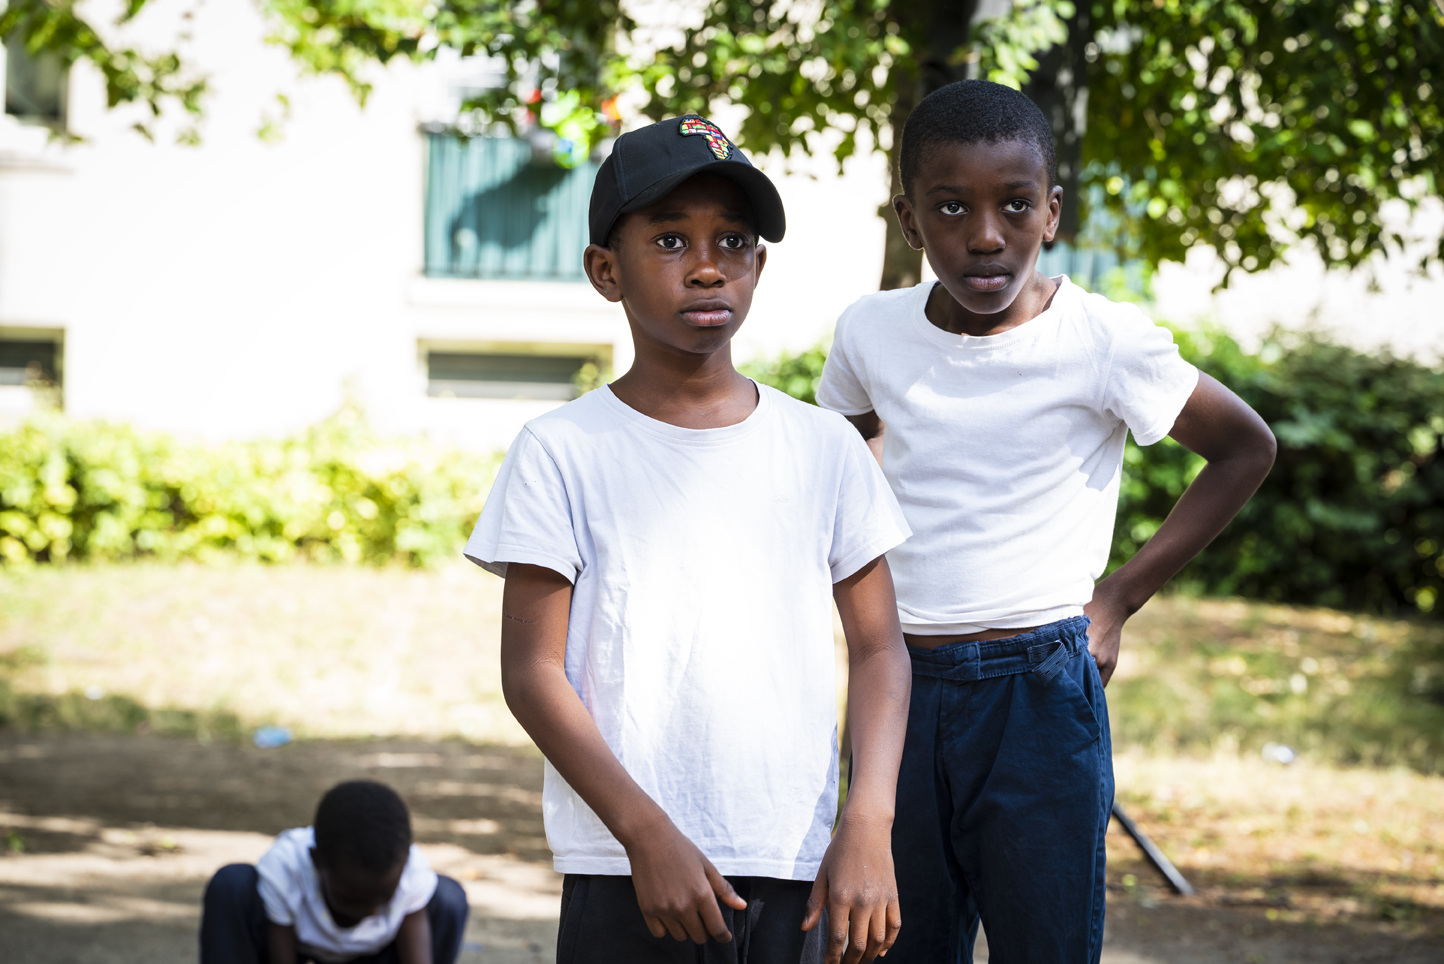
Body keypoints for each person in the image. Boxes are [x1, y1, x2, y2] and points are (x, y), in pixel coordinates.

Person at [816, 80, 1277, 963]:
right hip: (898, 686)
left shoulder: (1101, 340)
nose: (985, 235)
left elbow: (1244, 449)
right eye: (951, 208)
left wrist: (1118, 600)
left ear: (1051, 213)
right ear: (909, 220)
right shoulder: (869, 333)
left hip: (1039, 690)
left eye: (1014, 205)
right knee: (890, 943)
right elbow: (847, 463)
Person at [464, 113, 914, 964]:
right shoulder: (560, 451)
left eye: (733, 240)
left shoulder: (822, 447)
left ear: (759, 264)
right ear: (607, 270)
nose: (708, 266)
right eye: (670, 240)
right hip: (628, 868)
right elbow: (531, 672)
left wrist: (869, 819)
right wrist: (644, 835)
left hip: (797, 864)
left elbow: (881, 648)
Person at [200, 780, 468, 964]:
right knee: (231, 884)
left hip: (378, 955)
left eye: (385, 897)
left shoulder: (410, 872)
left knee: (448, 897)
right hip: (297, 948)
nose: (372, 911)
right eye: (352, 898)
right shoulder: (286, 865)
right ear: (317, 862)